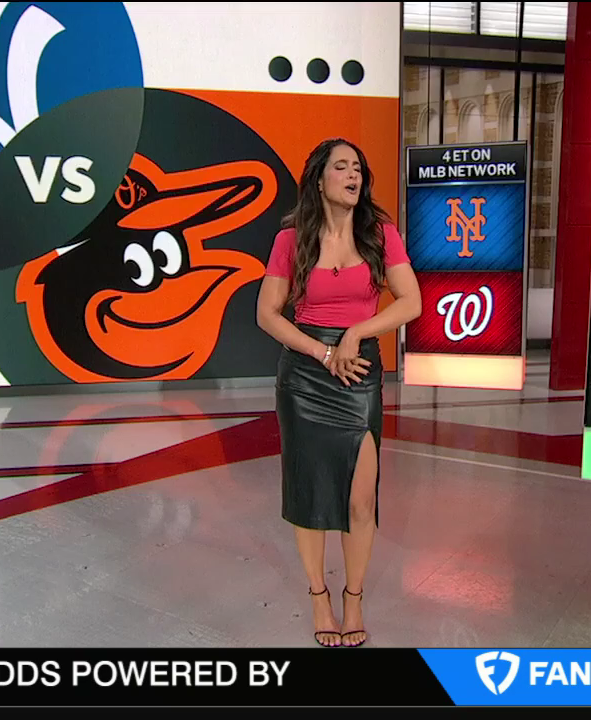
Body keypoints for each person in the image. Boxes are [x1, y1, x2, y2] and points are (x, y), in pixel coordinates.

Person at [255, 138, 422, 647]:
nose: (353, 176)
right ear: (319, 179)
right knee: (309, 494)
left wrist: (356, 333)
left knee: (360, 499)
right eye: (342, 167)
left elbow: (411, 302)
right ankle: (318, 596)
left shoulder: (380, 234)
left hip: (359, 369)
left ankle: (354, 597)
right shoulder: (291, 240)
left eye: (358, 169)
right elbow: (267, 314)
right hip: (306, 376)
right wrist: (321, 352)